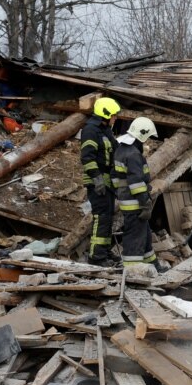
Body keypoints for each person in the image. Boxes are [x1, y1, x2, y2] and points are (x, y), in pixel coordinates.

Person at [112, 117, 159, 269]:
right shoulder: (133, 155)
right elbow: (137, 183)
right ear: (143, 134)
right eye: (148, 137)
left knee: (144, 235)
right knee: (134, 237)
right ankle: (133, 269)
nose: (147, 141)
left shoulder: (121, 150)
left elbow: (115, 178)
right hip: (135, 203)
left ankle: (152, 265)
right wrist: (145, 203)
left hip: (127, 200)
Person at [80, 97, 119, 266]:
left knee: (108, 217)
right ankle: (97, 257)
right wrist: (97, 179)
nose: (115, 118)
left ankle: (105, 250)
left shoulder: (106, 130)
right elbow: (87, 157)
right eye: (114, 115)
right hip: (97, 182)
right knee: (101, 218)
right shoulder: (90, 130)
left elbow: (115, 150)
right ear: (105, 114)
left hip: (107, 181)